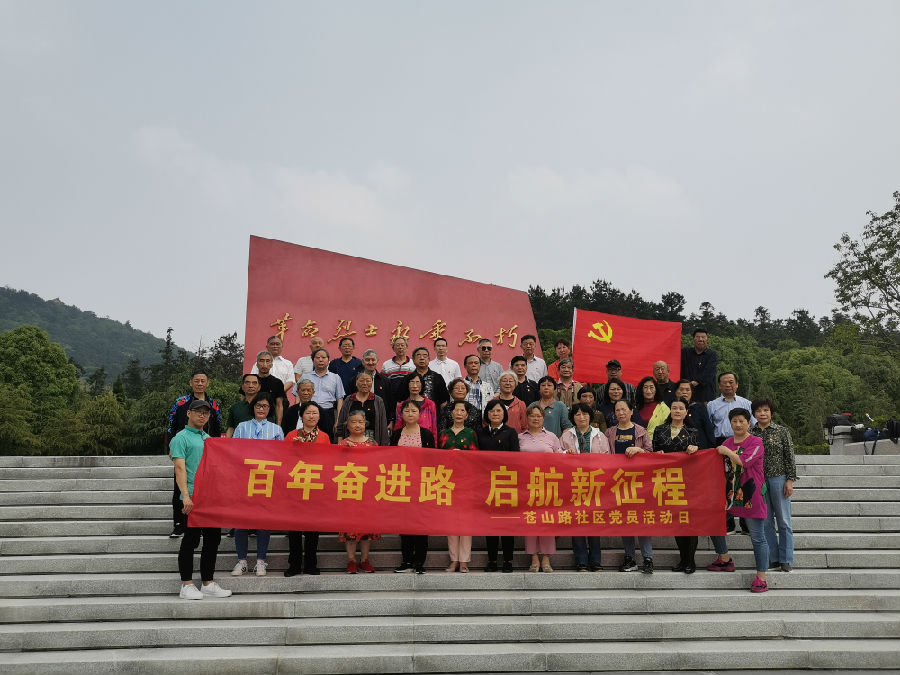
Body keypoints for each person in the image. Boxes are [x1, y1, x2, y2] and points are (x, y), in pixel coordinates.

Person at [171, 399, 231, 599]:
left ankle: (208, 582)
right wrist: (186, 497)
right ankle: (187, 584)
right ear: (189, 413)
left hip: (210, 497)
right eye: (198, 412)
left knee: (213, 540)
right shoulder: (180, 438)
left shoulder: (209, 439)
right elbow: (179, 468)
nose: (202, 415)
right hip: (191, 497)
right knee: (191, 540)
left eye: (206, 413)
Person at [705, 408, 770, 593]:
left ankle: (761, 578)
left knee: (757, 537)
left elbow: (745, 461)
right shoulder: (727, 442)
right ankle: (724, 559)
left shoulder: (756, 441)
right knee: (713, 522)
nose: (738, 424)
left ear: (749, 423)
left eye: (742, 421)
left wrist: (726, 451)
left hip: (751, 493)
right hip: (730, 494)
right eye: (734, 421)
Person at [230, 393, 283, 577]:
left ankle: (261, 561)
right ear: (253, 408)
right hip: (244, 480)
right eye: (258, 405)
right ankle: (241, 561)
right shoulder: (241, 427)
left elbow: (282, 456)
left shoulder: (276, 429)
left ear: (270, 409)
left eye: (265, 406)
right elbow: (233, 452)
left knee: (263, 523)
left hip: (266, 480)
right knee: (240, 522)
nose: (261, 409)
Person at [165, 370, 222, 538]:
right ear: (191, 383)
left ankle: (202, 521)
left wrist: (216, 447)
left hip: (206, 447)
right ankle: (179, 524)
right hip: (185, 447)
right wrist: (170, 445)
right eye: (196, 380)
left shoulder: (213, 404)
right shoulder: (181, 402)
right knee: (180, 486)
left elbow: (218, 426)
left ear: (208, 383)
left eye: (203, 380)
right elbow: (171, 424)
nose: (200, 383)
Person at [604, 399, 654, 574]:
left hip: (639, 483)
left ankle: (648, 558)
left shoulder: (641, 431)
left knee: (641, 520)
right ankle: (630, 558)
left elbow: (651, 454)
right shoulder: (609, 432)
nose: (621, 413)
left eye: (624, 409)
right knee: (625, 520)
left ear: (632, 411)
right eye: (617, 410)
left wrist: (639, 451)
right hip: (618, 483)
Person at [560, 402, 611, 572]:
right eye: (577, 414)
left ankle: (595, 561)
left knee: (594, 521)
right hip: (574, 483)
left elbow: (607, 458)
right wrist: (566, 454)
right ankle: (581, 560)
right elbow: (558, 456)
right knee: (577, 521)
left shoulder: (600, 435)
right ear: (572, 418)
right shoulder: (566, 436)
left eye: (585, 414)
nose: (581, 417)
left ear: (590, 416)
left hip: (595, 483)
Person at [652, 398, 700, 573]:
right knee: (677, 521)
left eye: (681, 408)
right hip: (667, 480)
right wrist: (657, 454)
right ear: (670, 411)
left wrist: (696, 449)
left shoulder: (693, 431)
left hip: (687, 481)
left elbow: (701, 455)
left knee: (689, 521)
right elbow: (653, 452)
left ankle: (690, 561)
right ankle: (682, 559)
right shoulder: (659, 430)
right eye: (674, 408)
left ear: (686, 412)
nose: (677, 411)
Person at [751, 397, 797, 573]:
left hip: (779, 478)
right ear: (754, 414)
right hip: (759, 480)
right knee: (766, 521)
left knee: (784, 520)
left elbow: (789, 456)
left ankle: (786, 558)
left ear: (771, 412)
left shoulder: (781, 431)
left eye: (766, 410)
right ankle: (773, 558)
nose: (762, 413)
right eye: (758, 411)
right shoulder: (751, 433)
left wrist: (790, 480)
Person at [283, 401, 329, 576]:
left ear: (319, 416)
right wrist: (293, 448)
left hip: (315, 486)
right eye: (308, 413)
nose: (311, 416)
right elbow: (282, 458)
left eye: (315, 413)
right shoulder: (291, 435)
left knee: (312, 528)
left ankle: (311, 563)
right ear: (301, 416)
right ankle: (294, 564)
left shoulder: (324, 437)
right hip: (295, 486)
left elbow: (328, 461)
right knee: (294, 528)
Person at [391, 400, 436, 574]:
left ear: (419, 414)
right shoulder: (396, 434)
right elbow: (390, 458)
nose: (410, 414)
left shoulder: (426, 434)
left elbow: (432, 459)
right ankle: (406, 560)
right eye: (407, 411)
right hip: (402, 483)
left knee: (421, 524)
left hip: (421, 484)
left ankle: (419, 562)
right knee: (404, 524)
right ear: (401, 414)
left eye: (414, 411)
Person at [518, 403, 564, 572]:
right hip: (526, 486)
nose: (535, 419)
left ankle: (546, 558)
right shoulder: (520, 437)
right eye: (532, 416)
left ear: (543, 418)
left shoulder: (552, 437)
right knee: (530, 521)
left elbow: (561, 458)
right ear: (527, 418)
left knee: (546, 521)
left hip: (547, 484)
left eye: (539, 416)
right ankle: (534, 558)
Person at [477, 399, 520, 572]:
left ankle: (508, 560)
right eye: (492, 411)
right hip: (486, 483)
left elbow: (516, 458)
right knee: (490, 523)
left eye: (498, 411)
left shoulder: (510, 432)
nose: (495, 414)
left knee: (507, 523)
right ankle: (492, 560)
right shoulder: (480, 432)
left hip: (506, 483)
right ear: (487, 414)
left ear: (504, 414)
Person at [338, 409, 380, 573]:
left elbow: (378, 466)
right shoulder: (342, 444)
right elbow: (334, 467)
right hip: (348, 491)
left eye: (360, 422)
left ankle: (364, 559)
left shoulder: (373, 444)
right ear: (347, 425)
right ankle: (351, 560)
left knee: (366, 528)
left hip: (367, 492)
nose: (357, 425)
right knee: (350, 528)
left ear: (365, 424)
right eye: (353, 422)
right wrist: (343, 451)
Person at [439, 401, 478, 573]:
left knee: (466, 522)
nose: (459, 413)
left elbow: (477, 457)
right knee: (451, 522)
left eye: (463, 410)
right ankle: (454, 559)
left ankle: (464, 561)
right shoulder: (443, 433)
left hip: (466, 481)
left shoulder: (471, 433)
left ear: (467, 415)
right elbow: (437, 457)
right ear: (452, 413)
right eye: (456, 410)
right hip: (446, 481)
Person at [335, 370, 389, 446]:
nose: (365, 383)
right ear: (356, 383)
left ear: (372, 383)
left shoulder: (378, 401)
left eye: (368, 381)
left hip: (372, 440)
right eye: (361, 380)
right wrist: (340, 441)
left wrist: (384, 445)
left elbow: (383, 424)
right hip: (350, 440)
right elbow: (341, 421)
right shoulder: (349, 399)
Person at [307, 348, 345, 441]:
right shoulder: (305, 377)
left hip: (328, 413)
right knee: (307, 440)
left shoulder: (335, 377)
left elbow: (340, 399)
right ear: (313, 360)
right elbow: (298, 398)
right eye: (318, 357)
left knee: (326, 440)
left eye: (323, 357)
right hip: (309, 412)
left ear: (328, 361)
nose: (320, 360)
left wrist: (338, 420)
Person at [708, 373, 756, 446]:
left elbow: (754, 425)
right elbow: (708, 427)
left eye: (731, 382)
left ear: (737, 384)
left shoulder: (747, 403)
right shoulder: (711, 405)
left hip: (743, 441)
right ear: (719, 386)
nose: (728, 385)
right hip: (719, 442)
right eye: (724, 382)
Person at [349, 349, 393, 422]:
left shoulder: (385, 381)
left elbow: (390, 402)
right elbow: (350, 400)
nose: (370, 363)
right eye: (367, 360)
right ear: (363, 362)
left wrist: (391, 420)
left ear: (377, 361)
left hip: (380, 419)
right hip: (358, 420)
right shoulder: (354, 380)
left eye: (373, 360)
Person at [674, 379, 716, 451]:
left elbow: (708, 429)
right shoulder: (670, 408)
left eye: (687, 390)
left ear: (691, 392)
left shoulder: (699, 408)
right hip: (678, 449)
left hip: (699, 449)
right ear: (675, 392)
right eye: (681, 389)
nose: (684, 392)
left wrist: (712, 448)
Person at [394, 372, 438, 440]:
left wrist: (434, 444)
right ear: (407, 385)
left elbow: (434, 428)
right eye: (412, 382)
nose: (415, 386)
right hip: (407, 441)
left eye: (417, 382)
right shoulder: (401, 405)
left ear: (422, 385)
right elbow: (398, 427)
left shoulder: (430, 404)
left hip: (426, 441)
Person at [251, 335, 295, 399]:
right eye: (272, 344)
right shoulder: (257, 364)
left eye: (277, 344)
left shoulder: (288, 363)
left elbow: (290, 381)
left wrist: (278, 393)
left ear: (282, 346)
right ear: (267, 347)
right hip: (260, 398)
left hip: (281, 397)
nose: (275, 346)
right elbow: (253, 378)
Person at [681, 328, 718, 403]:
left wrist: (696, 382)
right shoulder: (685, 353)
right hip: (687, 396)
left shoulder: (712, 354)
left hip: (706, 397)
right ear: (693, 339)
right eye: (698, 337)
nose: (700, 339)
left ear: (707, 339)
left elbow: (709, 372)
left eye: (703, 337)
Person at [254, 351, 286, 426]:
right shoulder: (250, 381)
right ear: (257, 364)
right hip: (251, 419)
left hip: (270, 420)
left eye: (267, 361)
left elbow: (279, 406)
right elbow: (243, 401)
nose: (264, 364)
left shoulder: (277, 382)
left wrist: (278, 426)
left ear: (271, 365)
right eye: (261, 361)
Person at [635, 376, 671, 440]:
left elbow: (667, 428)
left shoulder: (663, 408)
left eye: (651, 387)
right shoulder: (636, 407)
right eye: (645, 387)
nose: (648, 390)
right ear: (641, 390)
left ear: (656, 390)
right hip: (637, 442)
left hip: (656, 442)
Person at [381, 337, 415, 402]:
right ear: (393, 348)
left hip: (410, 400)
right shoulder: (386, 364)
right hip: (392, 400)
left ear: (407, 348)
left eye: (402, 345)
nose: (400, 347)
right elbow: (383, 383)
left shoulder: (413, 364)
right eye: (397, 345)